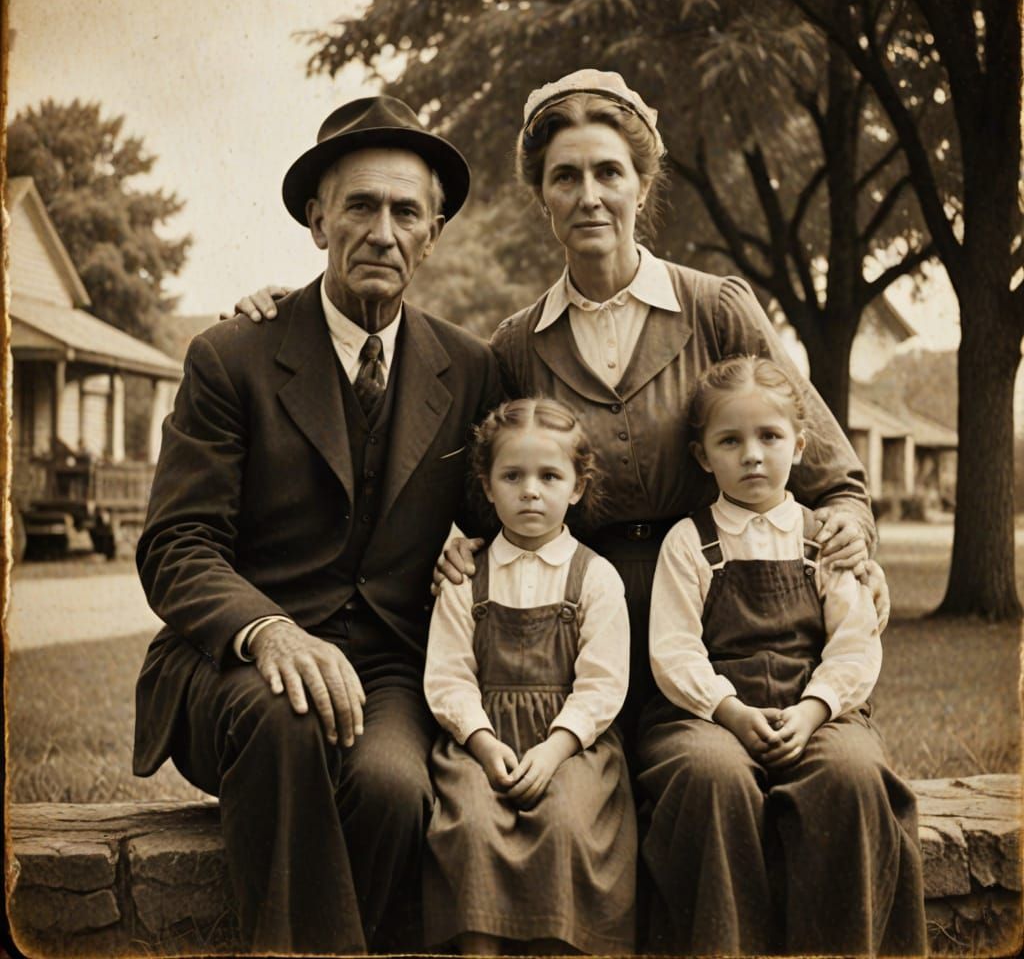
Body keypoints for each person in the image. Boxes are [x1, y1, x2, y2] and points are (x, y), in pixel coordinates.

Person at [232, 69, 889, 742]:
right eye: (565, 177)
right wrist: (303, 315)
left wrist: (846, 529)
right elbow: (482, 484)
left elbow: (832, 476)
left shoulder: (716, 309)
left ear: (642, 184)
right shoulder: (514, 347)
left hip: (712, 622)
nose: (590, 197)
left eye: (609, 173)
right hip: (573, 630)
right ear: (542, 197)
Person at [132, 95, 502, 954]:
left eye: (407, 211)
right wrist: (265, 631)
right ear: (316, 220)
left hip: (385, 671)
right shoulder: (232, 356)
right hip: (229, 671)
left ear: (433, 233)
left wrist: (474, 546)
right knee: (288, 716)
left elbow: (508, 504)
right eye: (360, 207)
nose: (383, 231)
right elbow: (176, 545)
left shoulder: (472, 368)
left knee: (394, 789)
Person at [638, 355, 926, 956]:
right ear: (702, 456)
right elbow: (673, 648)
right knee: (709, 777)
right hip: (708, 715)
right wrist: (730, 711)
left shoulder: (824, 537)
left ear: (798, 445)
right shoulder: (690, 541)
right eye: (730, 440)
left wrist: (814, 710)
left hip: (815, 709)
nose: (752, 455)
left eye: (769, 436)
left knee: (851, 775)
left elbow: (854, 641)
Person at [423, 398, 635, 955]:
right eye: (512, 476)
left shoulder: (595, 577)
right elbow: (448, 676)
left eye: (549, 476)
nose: (531, 491)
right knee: (469, 821)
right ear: (487, 488)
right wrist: (483, 742)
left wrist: (555, 749)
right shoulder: (466, 577)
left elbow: (603, 682)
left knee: (566, 821)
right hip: (481, 741)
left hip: (570, 743)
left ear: (577, 487)